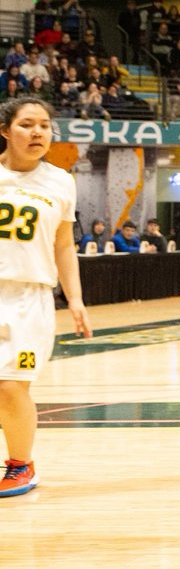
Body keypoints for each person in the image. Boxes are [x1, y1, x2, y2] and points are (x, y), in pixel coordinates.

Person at [1, 98, 92, 498]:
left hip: (29, 297)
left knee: (11, 385)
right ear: (6, 130)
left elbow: (63, 246)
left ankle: (21, 465)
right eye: (26, 124)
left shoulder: (60, 182)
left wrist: (75, 299)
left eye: (44, 125)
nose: (37, 132)